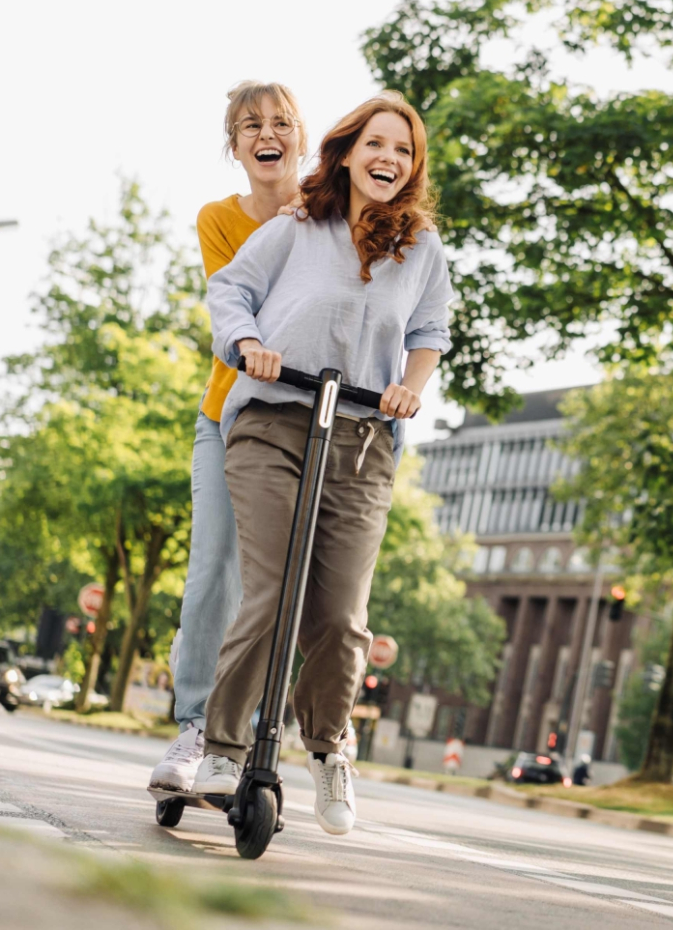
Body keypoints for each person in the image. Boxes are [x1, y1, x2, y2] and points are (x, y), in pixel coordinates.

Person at [190, 92, 452, 836]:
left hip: (362, 438)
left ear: (413, 166)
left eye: (402, 150)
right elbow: (231, 288)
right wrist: (248, 345)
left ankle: (330, 748)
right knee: (272, 593)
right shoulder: (299, 224)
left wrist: (410, 386)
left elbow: (429, 330)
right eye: (376, 144)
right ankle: (223, 747)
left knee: (340, 618)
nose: (388, 159)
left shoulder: (421, 248)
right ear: (347, 152)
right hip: (274, 421)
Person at [150, 82, 307, 792]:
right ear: (235, 146)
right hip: (229, 415)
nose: (266, 133)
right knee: (214, 568)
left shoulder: (331, 212)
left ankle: (252, 728)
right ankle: (194, 724)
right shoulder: (219, 218)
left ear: (301, 138)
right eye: (250, 126)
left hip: (303, 421)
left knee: (276, 583)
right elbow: (236, 303)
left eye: (280, 122)